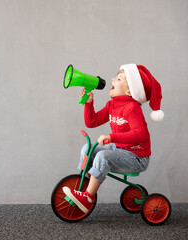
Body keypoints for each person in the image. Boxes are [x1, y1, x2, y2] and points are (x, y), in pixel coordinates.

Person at [63, 64, 164, 213]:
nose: (112, 79)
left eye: (119, 78)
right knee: (87, 149)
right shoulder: (112, 105)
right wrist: (88, 103)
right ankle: (84, 186)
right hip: (120, 149)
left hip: (137, 157)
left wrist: (111, 137)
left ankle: (88, 197)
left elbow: (140, 135)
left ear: (129, 90)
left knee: (103, 156)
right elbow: (92, 122)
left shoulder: (132, 108)